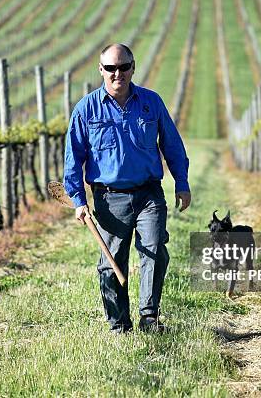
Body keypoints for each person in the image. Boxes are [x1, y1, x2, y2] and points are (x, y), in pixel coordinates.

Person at [63, 43, 191, 334]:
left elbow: (171, 143)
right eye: (110, 68)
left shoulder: (151, 102)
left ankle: (149, 317)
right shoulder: (85, 109)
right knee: (111, 265)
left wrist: (181, 183)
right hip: (109, 199)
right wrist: (78, 199)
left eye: (124, 67)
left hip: (149, 193)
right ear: (101, 70)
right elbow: (74, 156)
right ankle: (119, 324)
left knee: (155, 250)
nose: (117, 73)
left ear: (133, 67)